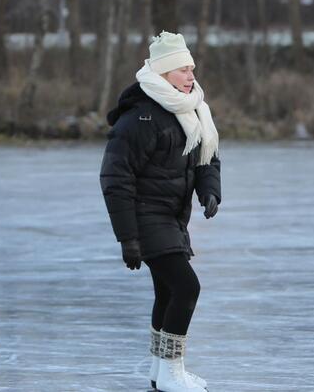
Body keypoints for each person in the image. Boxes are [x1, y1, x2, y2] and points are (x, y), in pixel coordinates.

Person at [100, 31, 221, 392]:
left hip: (172, 216)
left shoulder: (192, 108)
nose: (191, 76)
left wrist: (210, 190)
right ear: (164, 73)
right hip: (146, 216)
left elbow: (206, 157)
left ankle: (160, 369)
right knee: (187, 288)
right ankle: (171, 372)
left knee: (168, 293)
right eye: (183, 69)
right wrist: (128, 238)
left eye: (192, 68)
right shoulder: (140, 119)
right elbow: (115, 179)